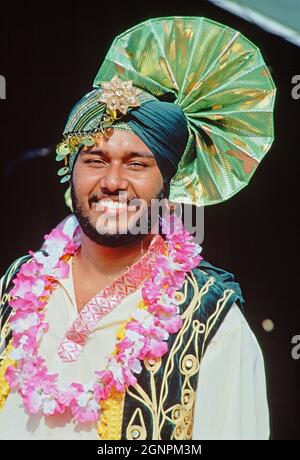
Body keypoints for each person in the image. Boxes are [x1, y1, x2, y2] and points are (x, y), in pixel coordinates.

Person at [0, 16, 276, 440]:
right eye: (94, 160)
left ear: (167, 182)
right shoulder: (13, 288)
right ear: (69, 173)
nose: (112, 181)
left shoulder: (209, 320)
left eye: (136, 164)